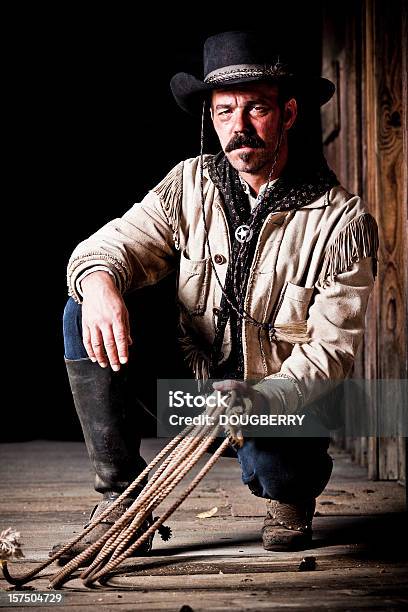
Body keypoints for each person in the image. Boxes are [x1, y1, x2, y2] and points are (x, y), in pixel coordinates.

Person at [56, 31, 378, 560]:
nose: (239, 127)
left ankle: (289, 497)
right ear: (210, 116)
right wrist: (98, 283)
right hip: (192, 392)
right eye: (225, 111)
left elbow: (331, 350)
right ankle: (120, 498)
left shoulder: (342, 221)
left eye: (257, 109)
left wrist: (260, 400)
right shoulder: (188, 185)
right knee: (81, 308)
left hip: (275, 401)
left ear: (289, 114)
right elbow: (113, 244)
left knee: (278, 469)